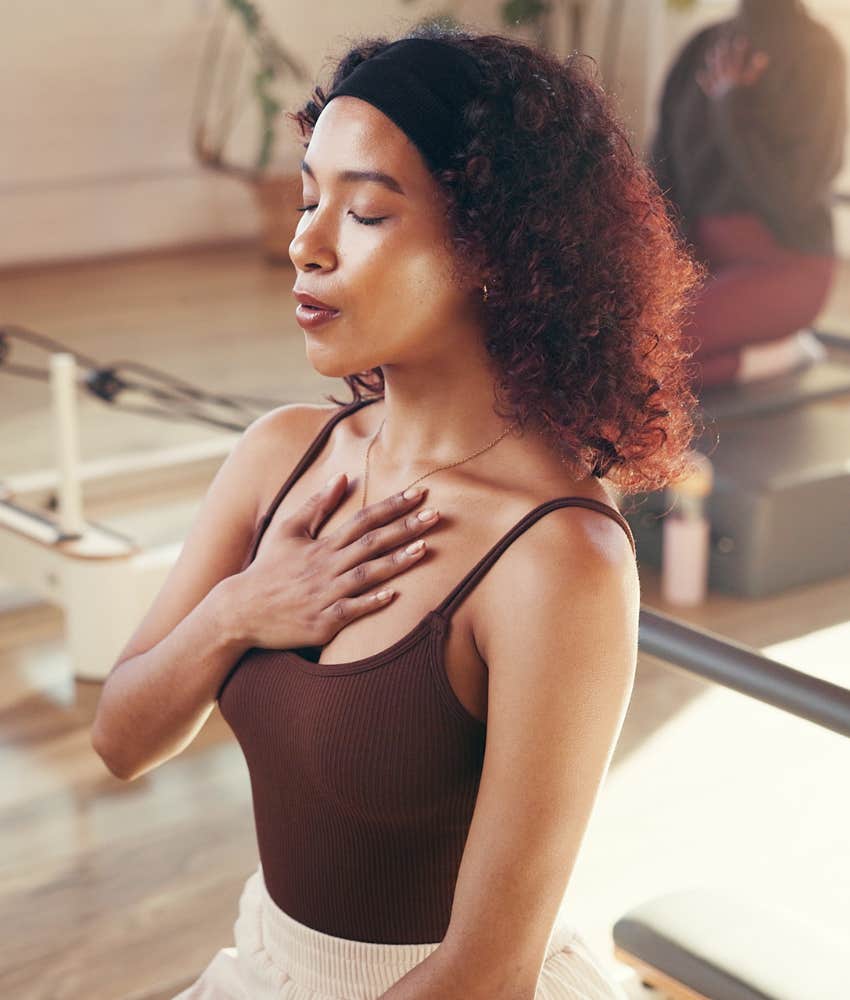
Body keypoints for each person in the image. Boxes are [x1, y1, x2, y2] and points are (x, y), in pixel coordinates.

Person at [92, 24, 703, 1000]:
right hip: (262, 966)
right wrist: (241, 608)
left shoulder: (560, 560)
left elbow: (486, 972)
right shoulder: (281, 455)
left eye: (366, 212)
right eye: (309, 198)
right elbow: (120, 740)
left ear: (497, 249)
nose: (306, 242)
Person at [648, 0, 847, 388]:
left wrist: (732, 111)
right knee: (611, 349)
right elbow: (660, 172)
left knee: (642, 352)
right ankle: (767, 357)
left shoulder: (818, 53)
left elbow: (795, 193)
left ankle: (777, 353)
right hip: (697, 266)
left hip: (787, 265)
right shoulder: (699, 47)